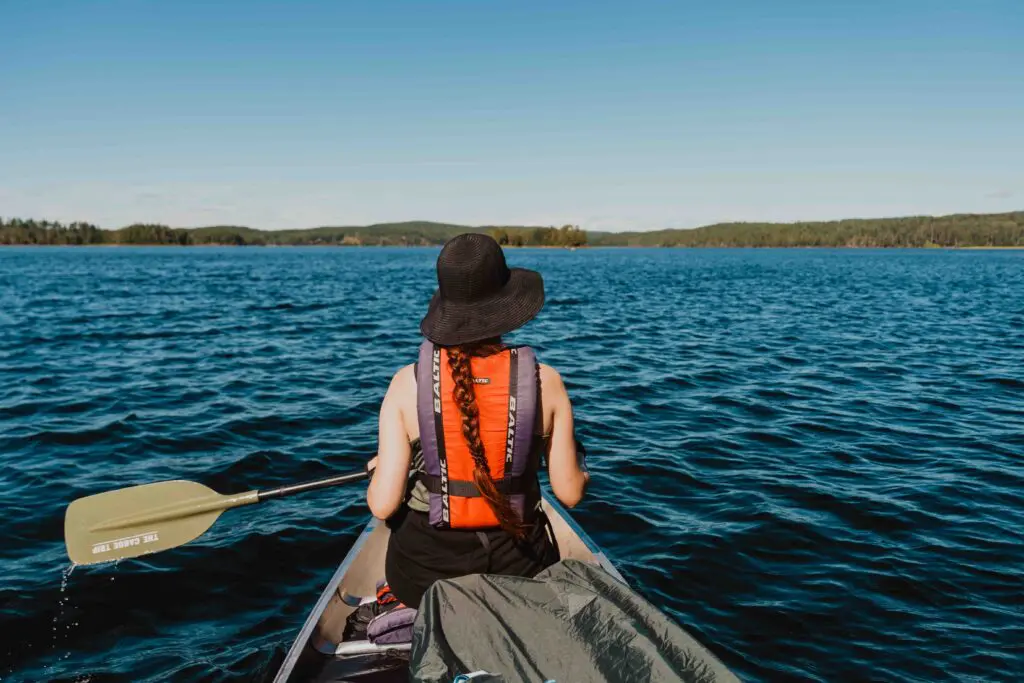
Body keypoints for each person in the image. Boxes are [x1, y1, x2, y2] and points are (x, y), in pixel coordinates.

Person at [365, 233, 590, 609]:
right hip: (520, 571)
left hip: (423, 579)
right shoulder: (546, 381)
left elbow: (383, 506)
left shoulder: (406, 383)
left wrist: (380, 472)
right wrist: (581, 465)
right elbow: (570, 493)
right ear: (506, 305)